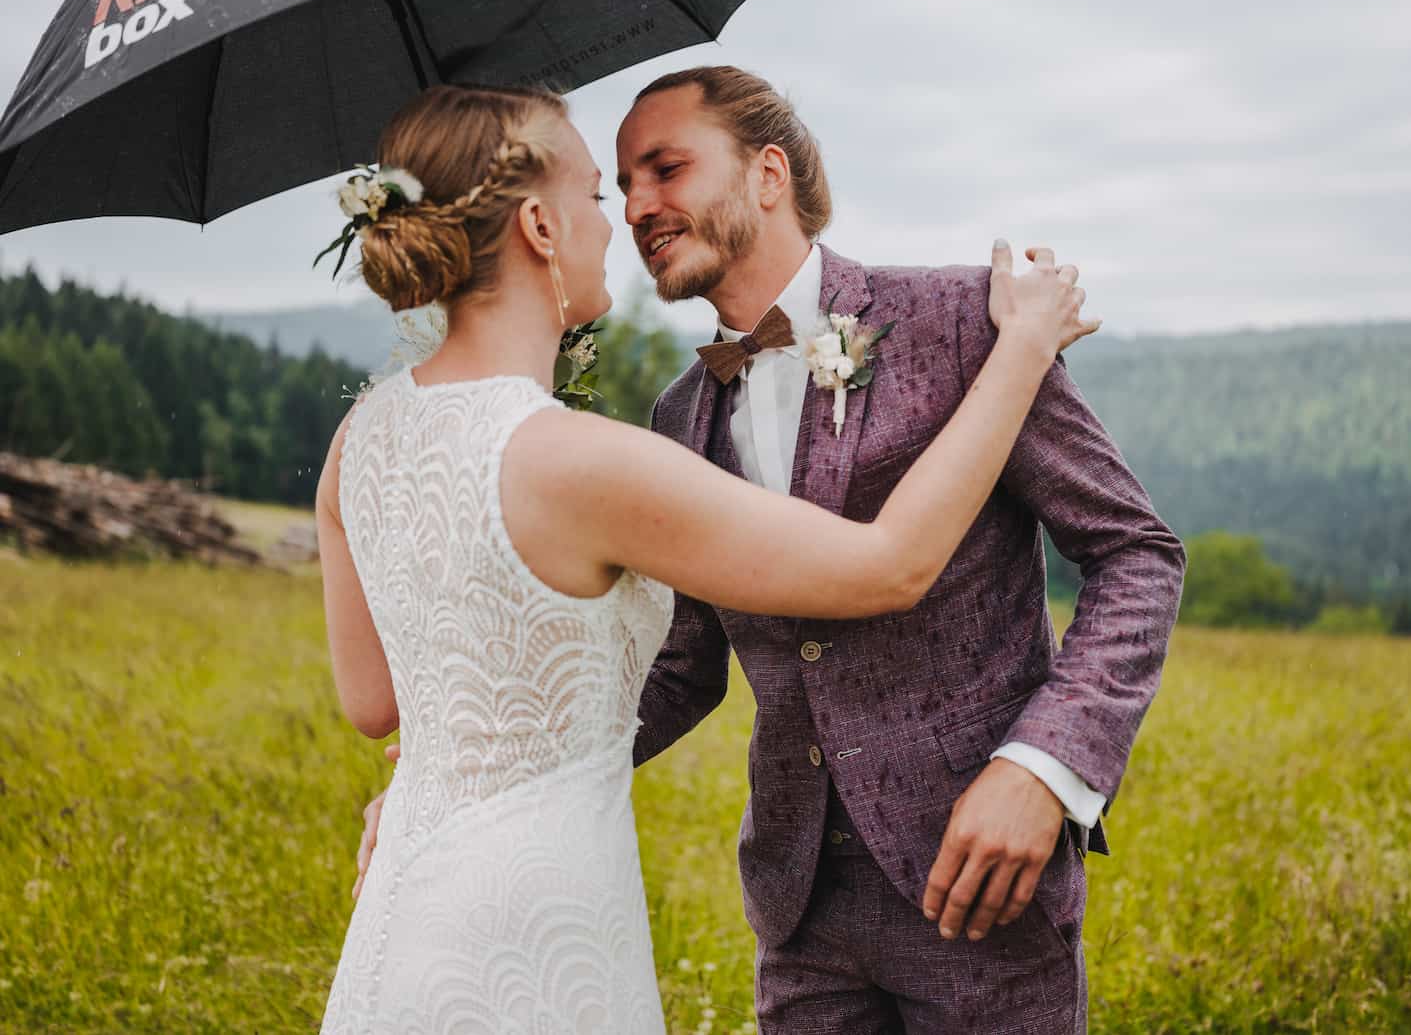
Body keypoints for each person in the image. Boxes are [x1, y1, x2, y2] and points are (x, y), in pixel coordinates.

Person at [315, 81, 1098, 1034]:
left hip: (419, 895)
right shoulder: (621, 443)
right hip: (636, 915)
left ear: (770, 174)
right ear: (539, 227)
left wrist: (1044, 766)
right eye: (605, 193)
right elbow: (871, 572)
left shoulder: (361, 435)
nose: (628, 214)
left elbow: (376, 704)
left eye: (663, 170)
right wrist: (1025, 348)